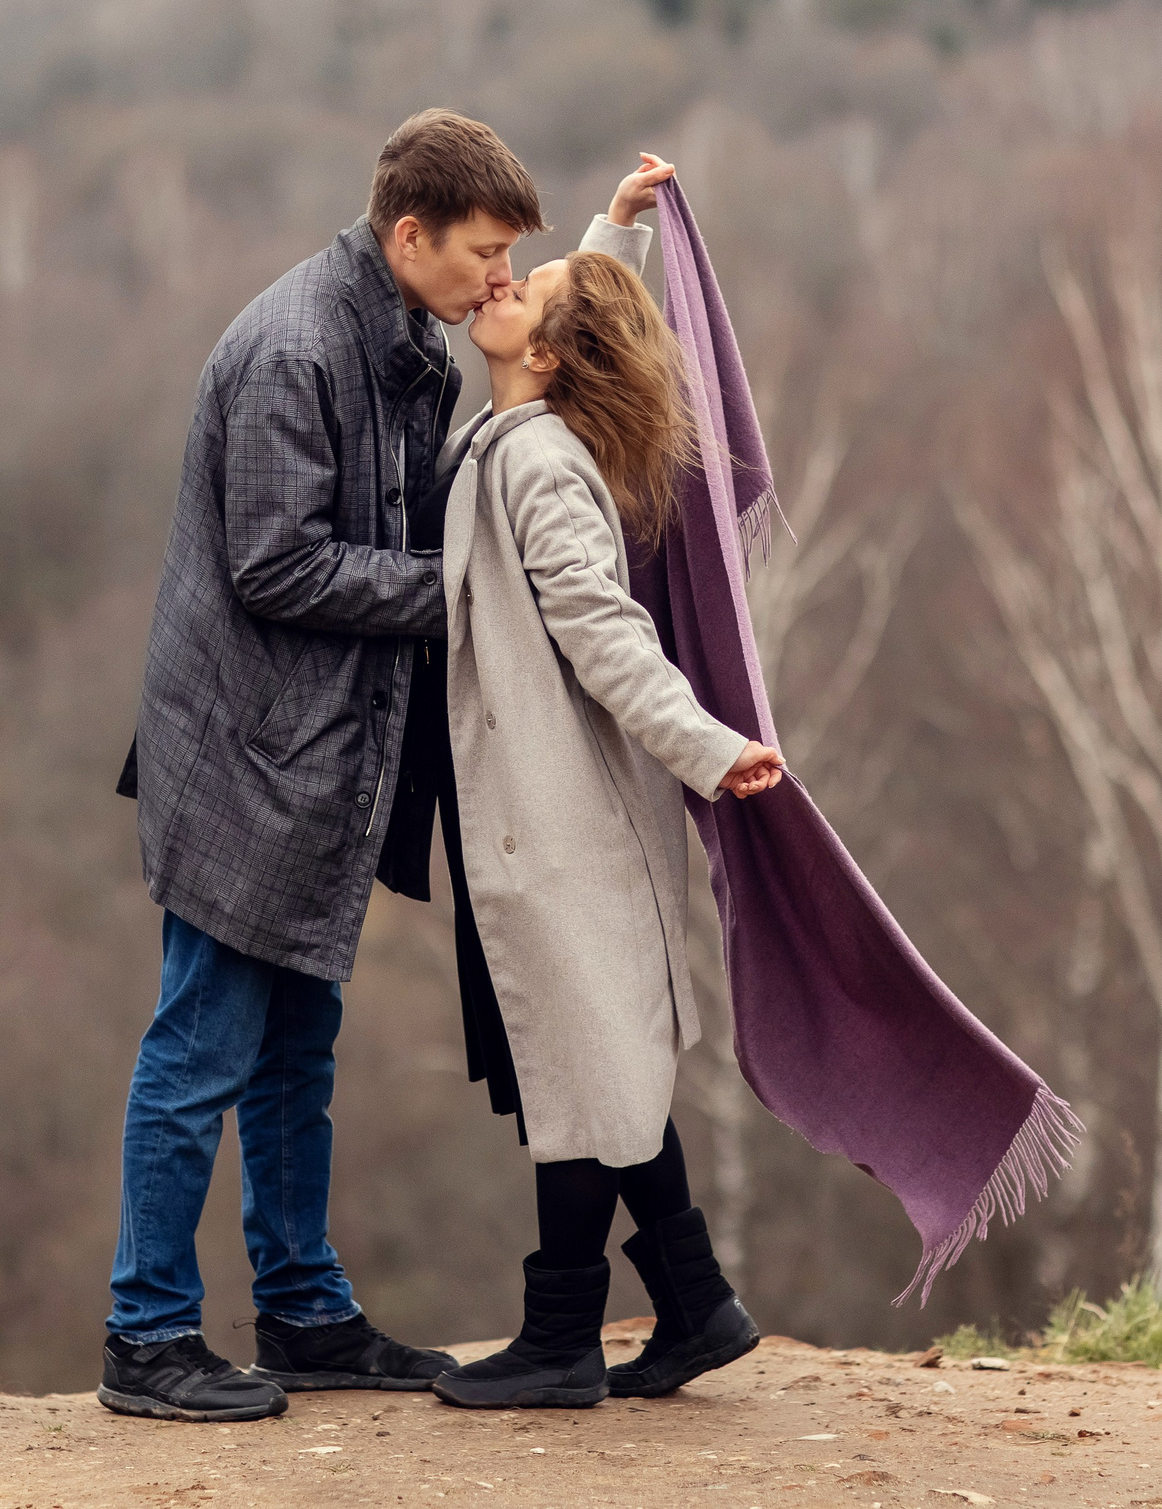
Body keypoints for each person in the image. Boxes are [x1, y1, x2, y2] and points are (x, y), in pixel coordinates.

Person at [104, 110, 663, 1424]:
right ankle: (147, 1333)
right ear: (409, 236)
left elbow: (539, 353)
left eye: (510, 255)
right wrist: (469, 589)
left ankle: (303, 1312)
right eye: (483, 251)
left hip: (320, 761)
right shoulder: (298, 346)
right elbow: (277, 561)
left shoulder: (403, 323)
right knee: (199, 1050)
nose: (497, 279)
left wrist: (614, 233)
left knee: (298, 1054)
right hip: (247, 759)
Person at [422, 162, 785, 1411]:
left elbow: (603, 627)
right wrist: (612, 231)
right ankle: (690, 1307)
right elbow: (576, 322)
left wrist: (707, 745)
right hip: (546, 815)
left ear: (556, 353)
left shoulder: (535, 462)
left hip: (567, 820)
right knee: (593, 1068)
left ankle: (566, 1338)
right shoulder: (526, 429)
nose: (503, 283)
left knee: (583, 1073)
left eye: (535, 286)